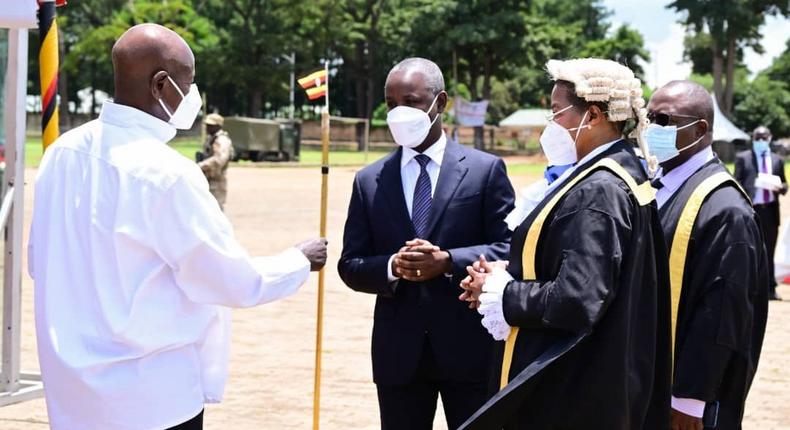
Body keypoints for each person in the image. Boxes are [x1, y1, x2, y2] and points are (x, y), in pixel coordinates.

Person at [28, 24, 327, 430]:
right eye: (189, 82)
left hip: (73, 398)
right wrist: (297, 260)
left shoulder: (60, 154)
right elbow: (231, 280)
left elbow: (38, 261)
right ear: (162, 85)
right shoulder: (166, 173)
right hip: (151, 400)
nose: (193, 94)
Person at [459, 58, 671, 430]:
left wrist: (500, 293)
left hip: (574, 389)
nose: (551, 123)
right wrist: (511, 272)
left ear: (591, 115)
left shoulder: (599, 189)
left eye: (556, 111)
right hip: (603, 377)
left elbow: (577, 297)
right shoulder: (616, 173)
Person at [337, 57, 515, 429]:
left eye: (412, 101)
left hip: (469, 349)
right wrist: (392, 267)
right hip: (398, 355)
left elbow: (509, 248)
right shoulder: (369, 180)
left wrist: (448, 261)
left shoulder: (485, 170)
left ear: (441, 102)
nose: (400, 112)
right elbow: (350, 264)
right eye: (391, 103)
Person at [646, 80, 769, 430]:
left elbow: (723, 313)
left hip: (691, 403)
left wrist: (689, 400)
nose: (652, 128)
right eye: (649, 118)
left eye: (664, 120)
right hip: (652, 382)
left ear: (700, 129)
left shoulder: (724, 208)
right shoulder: (661, 186)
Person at [735, 126, 787, 301]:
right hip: (751, 209)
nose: (761, 141)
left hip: (770, 210)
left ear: (770, 138)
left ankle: (770, 288)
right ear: (753, 138)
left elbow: (785, 185)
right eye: (758, 137)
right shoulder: (743, 158)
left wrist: (780, 187)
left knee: (769, 249)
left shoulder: (777, 160)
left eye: (765, 137)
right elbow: (736, 182)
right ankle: (750, 288)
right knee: (750, 248)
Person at [198, 113, 234, 210]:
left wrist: (200, 165)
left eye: (210, 125)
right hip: (208, 179)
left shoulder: (222, 140)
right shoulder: (211, 138)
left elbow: (219, 159)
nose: (207, 127)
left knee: (215, 210)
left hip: (216, 182)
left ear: (218, 126)